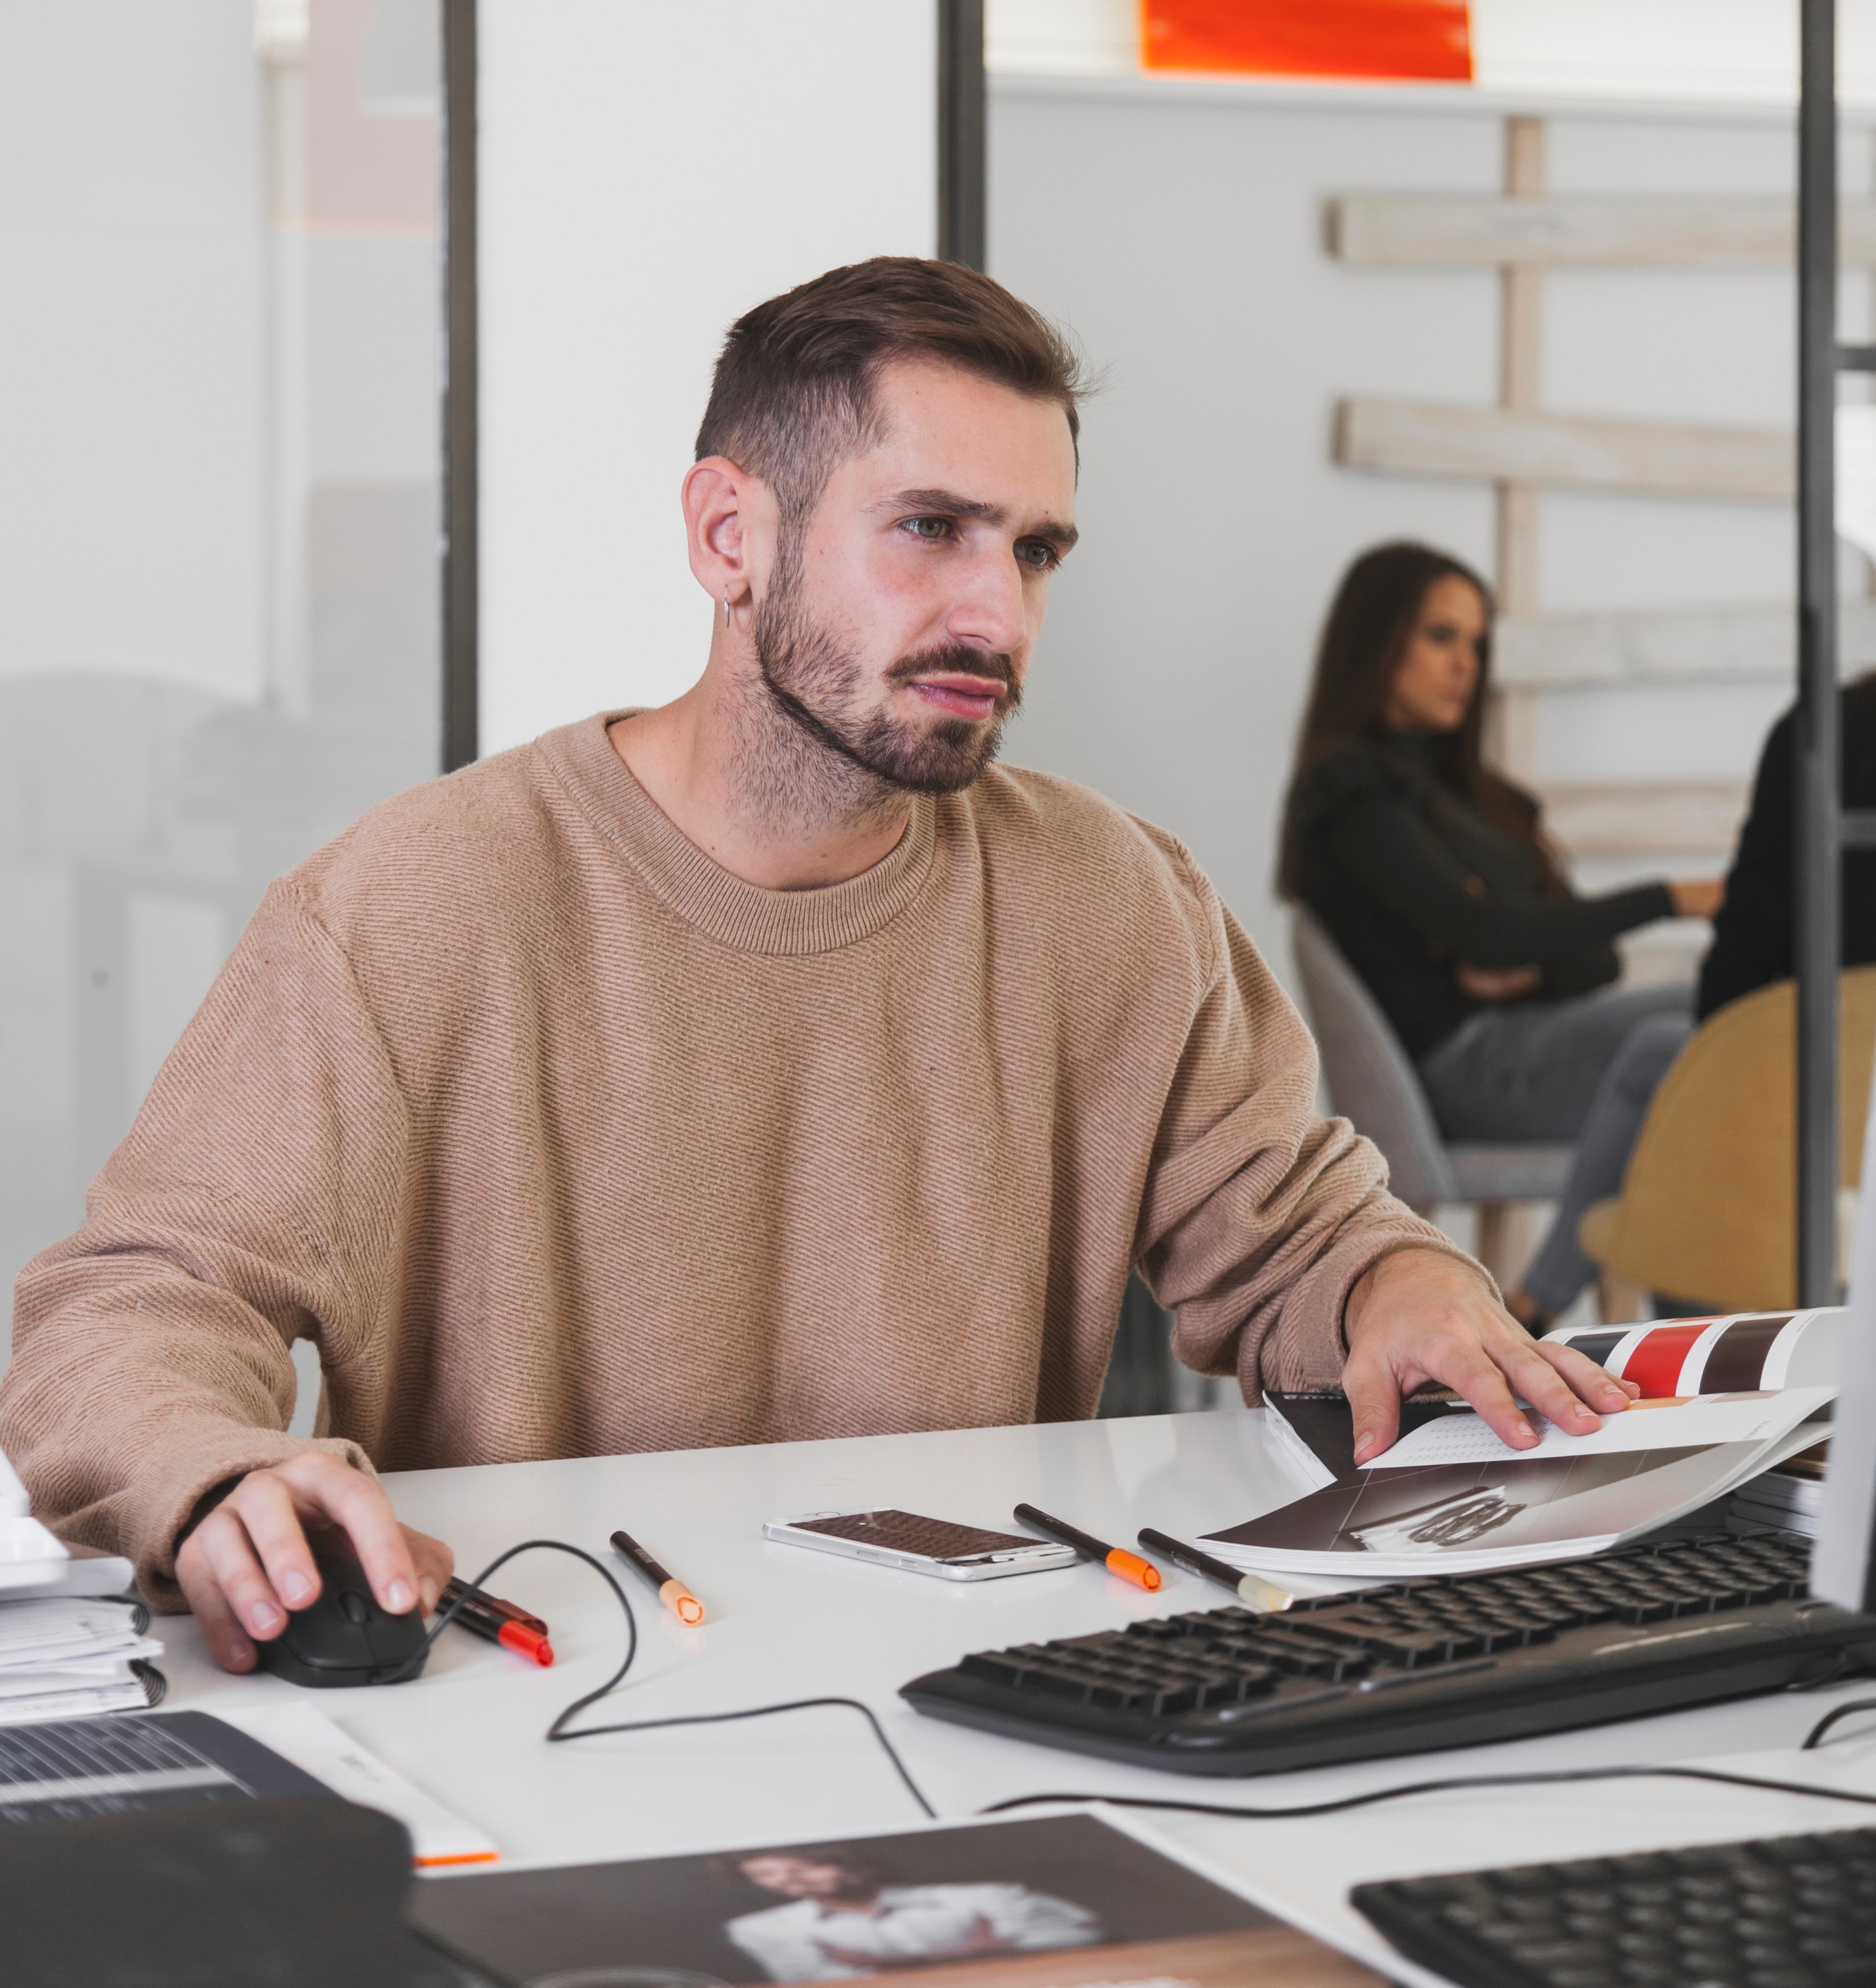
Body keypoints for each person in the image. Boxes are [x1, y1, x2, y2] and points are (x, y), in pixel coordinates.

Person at [0, 263, 1638, 1675]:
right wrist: (219, 1481)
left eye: (1039, 550)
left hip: (988, 1697)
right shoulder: (409, 909)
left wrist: (1392, 1284)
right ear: (730, 533)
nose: (996, 611)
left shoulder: (1117, 901)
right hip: (541, 1700)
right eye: (929, 529)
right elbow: (134, 1303)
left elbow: (1294, 1235)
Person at [1280, 542, 1722, 1329]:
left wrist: (1515, 961)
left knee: (1711, 1023)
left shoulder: (1476, 801)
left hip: (1528, 1038)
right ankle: (1692, 1344)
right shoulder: (1352, 792)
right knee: (1697, 1033)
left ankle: (1580, 1311)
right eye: (1441, 637)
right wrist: (1670, 896)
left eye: (1477, 644)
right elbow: (1485, 931)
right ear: (1377, 641)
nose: (1466, 665)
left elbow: (1591, 958)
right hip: (1465, 1070)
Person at [1697, 676, 1876, 1022]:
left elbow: (1747, 945)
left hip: (1834, 1035)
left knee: (1648, 1046)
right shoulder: (1829, 725)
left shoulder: (1826, 727)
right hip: (1834, 1026)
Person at [725, 1847, 1099, 1982]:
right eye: (765, 1874)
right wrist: (980, 1953)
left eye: (807, 1864)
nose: (788, 1878)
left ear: (851, 1863)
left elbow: (1081, 1942)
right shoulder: (759, 1927)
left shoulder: (987, 1896)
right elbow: (816, 1983)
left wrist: (892, 1965)